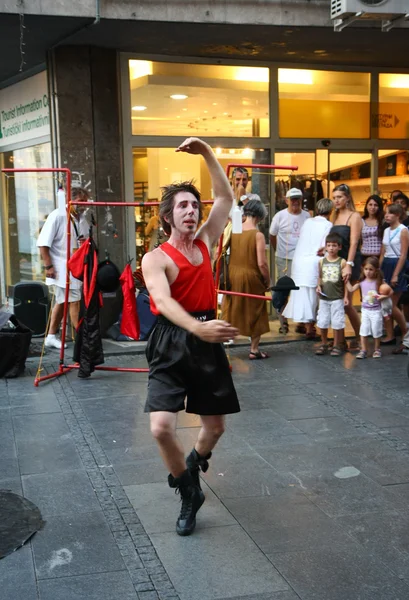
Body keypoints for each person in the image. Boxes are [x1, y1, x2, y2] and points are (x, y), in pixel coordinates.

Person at [142, 137, 240, 537]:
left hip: (206, 339)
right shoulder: (156, 258)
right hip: (170, 340)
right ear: (168, 216)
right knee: (161, 427)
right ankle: (188, 493)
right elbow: (162, 302)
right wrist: (197, 327)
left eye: (194, 206)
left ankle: (193, 465)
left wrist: (207, 153)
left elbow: (226, 198)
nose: (191, 210)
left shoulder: (204, 241)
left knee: (214, 429)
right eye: (182, 205)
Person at [37, 187, 90, 349]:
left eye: (84, 202)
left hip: (76, 268)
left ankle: (51, 336)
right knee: (74, 301)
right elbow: (43, 243)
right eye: (80, 201)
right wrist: (49, 266)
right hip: (61, 269)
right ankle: (82, 338)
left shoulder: (81, 219)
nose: (83, 205)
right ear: (70, 200)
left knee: (62, 302)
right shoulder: (58, 216)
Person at [222, 199, 270, 359]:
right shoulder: (257, 235)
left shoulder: (234, 230)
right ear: (260, 216)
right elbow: (262, 263)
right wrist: (267, 280)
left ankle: (222, 343)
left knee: (233, 308)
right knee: (256, 310)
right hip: (251, 277)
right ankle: (254, 349)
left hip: (233, 275)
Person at [283, 198, 334, 339]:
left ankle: (304, 324)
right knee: (313, 296)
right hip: (314, 262)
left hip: (299, 261)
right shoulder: (328, 225)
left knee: (303, 295)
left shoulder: (308, 222)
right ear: (330, 211)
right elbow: (324, 247)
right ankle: (310, 329)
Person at [269, 187, 310, 333]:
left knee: (300, 291)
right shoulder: (279, 216)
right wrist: (278, 251)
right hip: (284, 260)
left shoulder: (307, 216)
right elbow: (272, 236)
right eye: (292, 199)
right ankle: (283, 322)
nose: (295, 202)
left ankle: (301, 323)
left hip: (301, 260)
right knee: (283, 291)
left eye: (297, 198)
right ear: (286, 200)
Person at [331, 183, 363, 348]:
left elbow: (354, 242)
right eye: (334, 197)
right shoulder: (334, 216)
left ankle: (360, 338)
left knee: (347, 303)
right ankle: (340, 340)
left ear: (348, 198)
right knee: (337, 303)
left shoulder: (354, 216)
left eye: (340, 197)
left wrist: (349, 265)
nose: (336, 200)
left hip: (349, 261)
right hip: (336, 262)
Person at [347, 257, 392, 359]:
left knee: (376, 331)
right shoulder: (362, 282)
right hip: (365, 311)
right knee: (364, 330)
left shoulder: (379, 282)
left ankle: (377, 349)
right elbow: (351, 289)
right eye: (366, 269)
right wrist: (346, 280)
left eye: (371, 269)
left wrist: (383, 296)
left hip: (376, 311)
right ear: (363, 269)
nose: (368, 272)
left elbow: (390, 292)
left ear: (376, 270)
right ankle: (363, 350)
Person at [379, 203, 409, 352]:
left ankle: (406, 334)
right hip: (387, 264)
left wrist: (396, 273)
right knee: (386, 303)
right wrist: (379, 269)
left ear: (397, 215)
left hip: (397, 263)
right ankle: (390, 335)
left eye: (390, 213)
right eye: (386, 213)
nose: (387, 215)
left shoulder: (403, 230)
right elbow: (383, 251)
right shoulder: (385, 230)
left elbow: (403, 254)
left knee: (391, 304)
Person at [315, 232, 348, 356]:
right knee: (322, 321)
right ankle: (323, 343)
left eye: (334, 245)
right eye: (328, 245)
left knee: (337, 322)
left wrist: (345, 297)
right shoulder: (321, 262)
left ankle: (336, 344)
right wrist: (318, 286)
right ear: (325, 247)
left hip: (337, 297)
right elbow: (319, 276)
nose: (331, 248)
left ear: (339, 247)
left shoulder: (342, 262)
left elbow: (345, 282)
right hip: (324, 297)